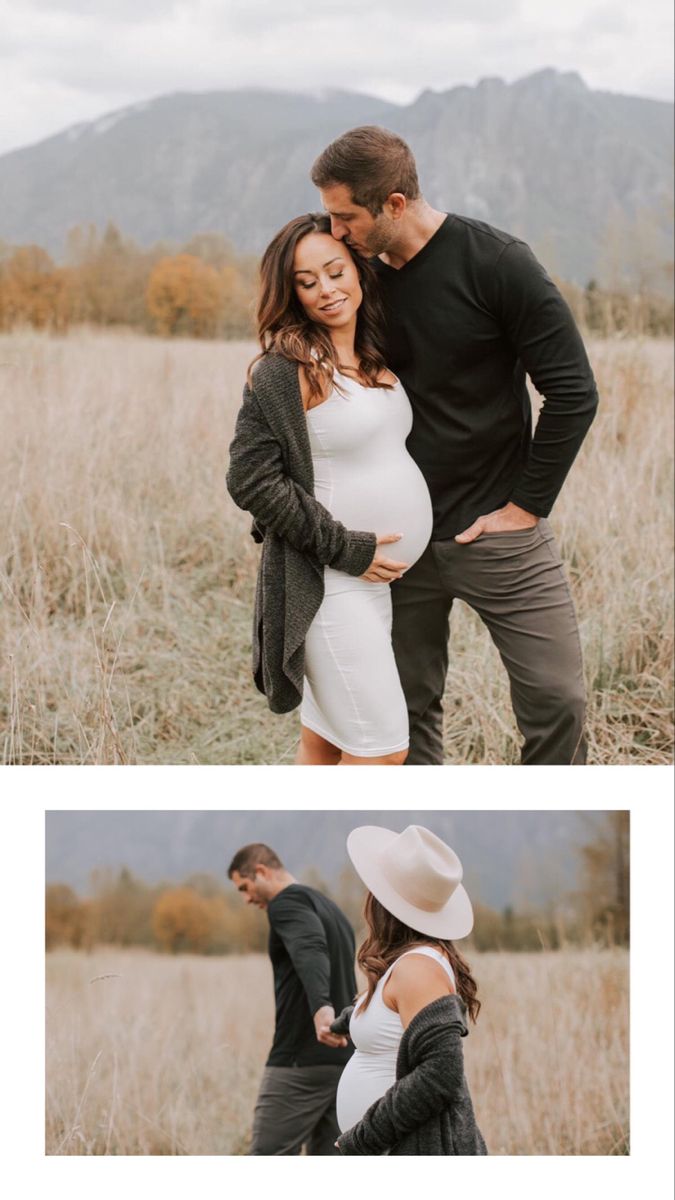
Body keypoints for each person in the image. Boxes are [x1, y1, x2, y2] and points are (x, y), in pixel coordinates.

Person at [311, 126, 599, 765]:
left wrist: (525, 507)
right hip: (393, 545)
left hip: (497, 531)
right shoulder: (354, 277)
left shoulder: (498, 263)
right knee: (403, 717)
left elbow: (574, 391)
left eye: (345, 217)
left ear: (393, 204)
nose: (336, 233)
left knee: (559, 704)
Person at [227, 212, 433, 765]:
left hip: (371, 587)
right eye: (306, 280)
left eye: (335, 271)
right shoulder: (286, 368)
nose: (326, 290)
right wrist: (348, 548)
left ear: (359, 271)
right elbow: (249, 477)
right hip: (328, 583)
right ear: (290, 291)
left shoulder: (373, 355)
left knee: (328, 744)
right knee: (383, 753)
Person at [332, 824, 487, 1155]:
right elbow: (395, 1019)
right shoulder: (409, 964)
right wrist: (343, 1022)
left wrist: (364, 1138)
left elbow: (440, 1075)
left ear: (379, 903)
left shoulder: (418, 969)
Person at [227, 842, 357, 1155]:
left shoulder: (285, 903)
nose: (246, 899)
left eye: (245, 887)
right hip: (343, 1063)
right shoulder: (332, 910)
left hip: (300, 1062)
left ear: (261, 871)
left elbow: (309, 947)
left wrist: (321, 1008)